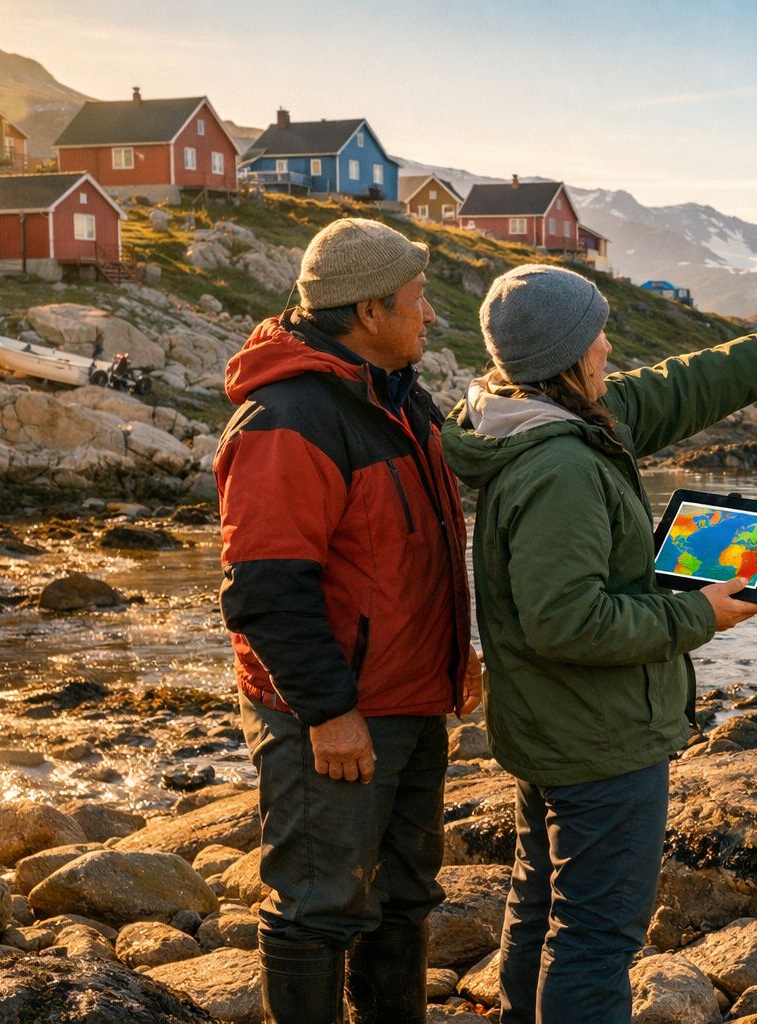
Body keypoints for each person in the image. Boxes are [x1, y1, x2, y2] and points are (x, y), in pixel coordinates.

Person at [441, 263, 757, 1023]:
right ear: (567, 356)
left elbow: (678, 387)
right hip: (599, 739)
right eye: (596, 336)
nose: (609, 348)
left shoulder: (530, 417)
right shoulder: (563, 467)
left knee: (541, 907)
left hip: (553, 726)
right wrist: (700, 615)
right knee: (595, 936)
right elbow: (567, 621)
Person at [214, 218, 474, 1024]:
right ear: (367, 312)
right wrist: (329, 714)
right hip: (335, 715)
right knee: (318, 907)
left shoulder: (396, 395)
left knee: (403, 896)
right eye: (416, 300)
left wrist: (454, 654)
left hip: (410, 697)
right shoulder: (288, 419)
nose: (429, 316)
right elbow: (264, 588)